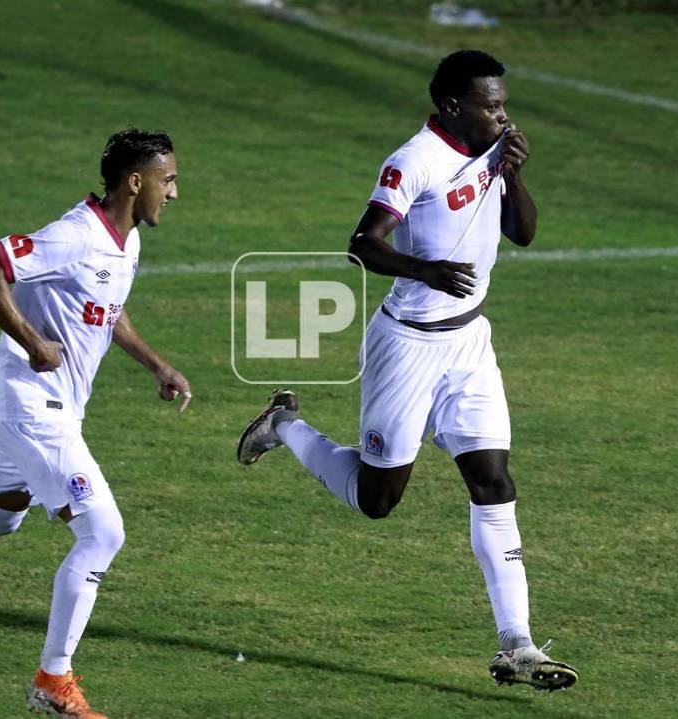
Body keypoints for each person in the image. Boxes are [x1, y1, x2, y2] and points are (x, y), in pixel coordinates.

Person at [237, 50, 577, 691]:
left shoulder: (492, 150)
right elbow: (362, 243)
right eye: (492, 104)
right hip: (409, 346)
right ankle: (285, 426)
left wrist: (514, 175)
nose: (504, 114)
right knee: (377, 499)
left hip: (470, 344)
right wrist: (427, 272)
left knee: (494, 482)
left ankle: (519, 645)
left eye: (504, 102)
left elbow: (524, 234)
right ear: (453, 105)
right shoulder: (413, 160)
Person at [0, 129, 190, 718]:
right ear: (135, 182)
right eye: (168, 179)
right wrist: (32, 341)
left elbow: (106, 313)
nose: (173, 192)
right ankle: (53, 679)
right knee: (102, 534)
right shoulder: (74, 235)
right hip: (32, 408)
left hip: (54, 408)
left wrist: (156, 363)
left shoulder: (125, 241)